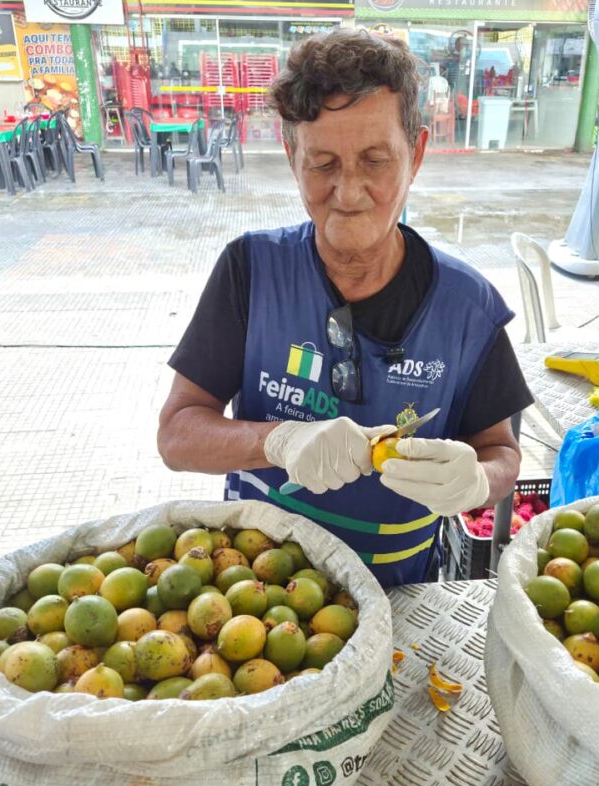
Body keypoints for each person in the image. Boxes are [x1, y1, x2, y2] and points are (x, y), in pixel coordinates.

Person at [158, 29, 533, 587]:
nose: (349, 191)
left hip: (401, 593)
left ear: (416, 155)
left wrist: (477, 480)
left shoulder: (468, 309)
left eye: (375, 160)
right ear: (292, 156)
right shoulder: (251, 271)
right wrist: (276, 440)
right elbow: (177, 435)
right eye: (323, 163)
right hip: (256, 601)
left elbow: (501, 452)